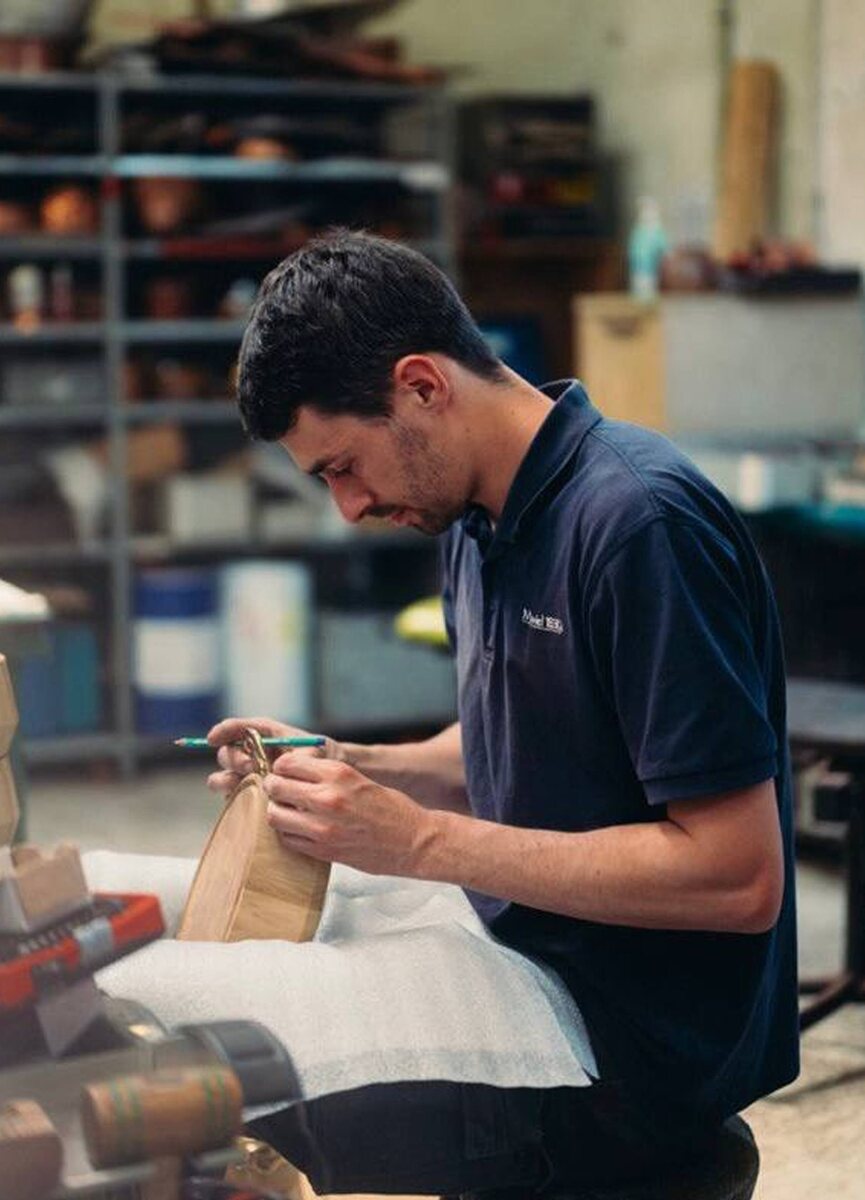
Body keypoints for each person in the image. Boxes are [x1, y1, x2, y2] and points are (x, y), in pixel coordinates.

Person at [207, 230, 799, 1197]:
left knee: (253, 1104)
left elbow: (737, 877)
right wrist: (350, 764)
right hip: (529, 965)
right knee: (233, 1037)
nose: (347, 507)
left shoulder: (637, 525)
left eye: (343, 466)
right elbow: (519, 740)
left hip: (628, 1051)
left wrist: (420, 842)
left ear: (421, 386)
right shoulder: (472, 513)